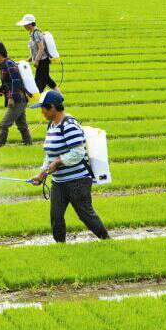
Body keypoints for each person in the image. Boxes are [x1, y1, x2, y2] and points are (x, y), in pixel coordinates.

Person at [29, 90, 110, 243]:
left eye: (43, 108)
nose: (42, 112)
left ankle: (106, 239)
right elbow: (49, 154)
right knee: (56, 216)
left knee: (85, 214)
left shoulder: (69, 125)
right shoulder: (51, 126)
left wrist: (58, 162)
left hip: (77, 180)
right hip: (59, 182)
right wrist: (42, 174)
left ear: (52, 107)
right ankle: (61, 246)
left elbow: (77, 153)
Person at [0, 41, 32, 148]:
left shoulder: (9, 64)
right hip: (19, 99)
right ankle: (29, 144)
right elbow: (7, 84)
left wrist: (11, 98)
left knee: (3, 125)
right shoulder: (3, 65)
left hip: (18, 99)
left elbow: (15, 81)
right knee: (22, 125)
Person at [17, 14, 58, 92]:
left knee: (39, 83)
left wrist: (36, 61)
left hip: (43, 62)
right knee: (48, 80)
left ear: (30, 24)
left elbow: (41, 48)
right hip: (41, 61)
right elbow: (35, 50)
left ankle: (39, 100)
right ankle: (60, 97)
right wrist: (28, 60)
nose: (24, 26)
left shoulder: (36, 33)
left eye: (25, 24)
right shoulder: (32, 33)